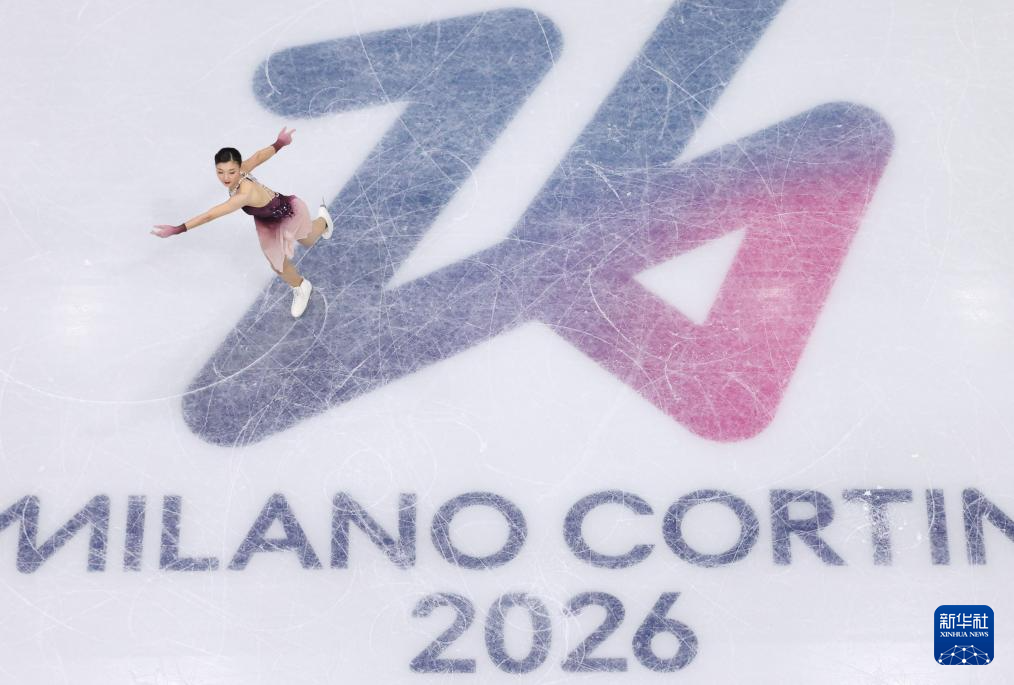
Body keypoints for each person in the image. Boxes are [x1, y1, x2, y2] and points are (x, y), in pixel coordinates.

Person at [152, 127, 333, 318]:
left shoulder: (244, 195)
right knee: (277, 263)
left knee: (308, 239)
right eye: (220, 172)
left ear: (239, 168)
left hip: (286, 213)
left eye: (231, 172)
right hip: (266, 221)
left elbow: (210, 215)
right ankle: (301, 286)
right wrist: (279, 143)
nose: (226, 178)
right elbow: (258, 157)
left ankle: (323, 221)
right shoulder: (242, 171)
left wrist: (178, 229)